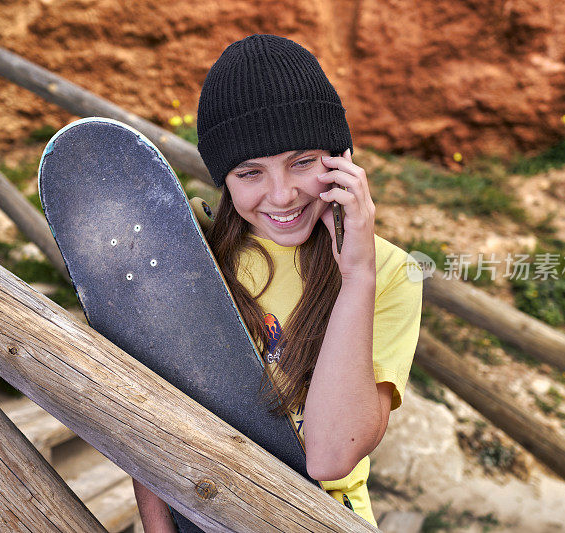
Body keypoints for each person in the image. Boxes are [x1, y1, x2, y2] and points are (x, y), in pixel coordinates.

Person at [133, 33, 422, 531]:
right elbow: (150, 420)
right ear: (225, 180)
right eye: (250, 173)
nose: (282, 195)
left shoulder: (390, 272)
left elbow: (331, 457)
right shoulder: (194, 258)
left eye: (302, 162)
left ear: (342, 159)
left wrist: (355, 276)